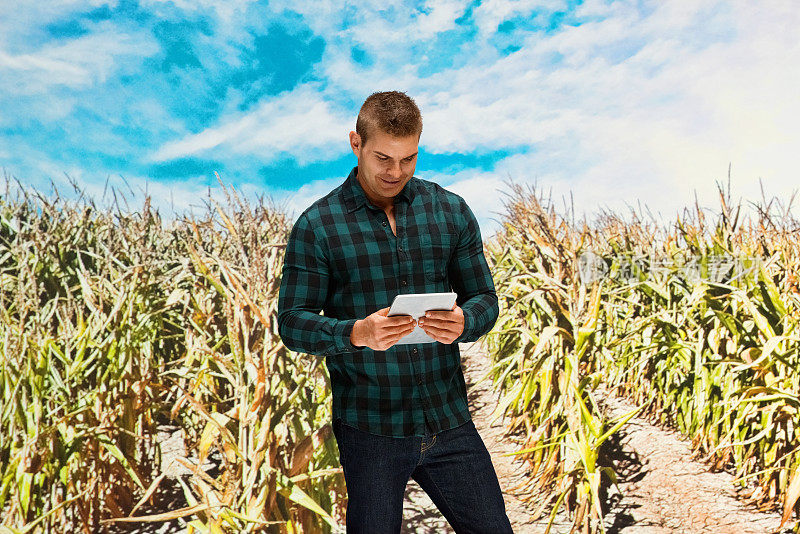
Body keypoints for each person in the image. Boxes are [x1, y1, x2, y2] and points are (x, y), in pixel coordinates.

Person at [277, 91, 513, 534]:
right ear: (356, 143)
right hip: (370, 431)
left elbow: (486, 298)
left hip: (449, 421)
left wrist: (466, 321)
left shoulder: (450, 210)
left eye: (409, 159)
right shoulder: (318, 225)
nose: (396, 172)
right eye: (384, 158)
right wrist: (356, 333)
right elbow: (291, 322)